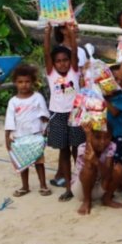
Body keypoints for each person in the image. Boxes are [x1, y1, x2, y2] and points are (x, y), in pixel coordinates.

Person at [44, 23, 82, 201]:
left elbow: (73, 51)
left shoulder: (74, 72)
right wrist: (47, 32)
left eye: (65, 60)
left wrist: (72, 33)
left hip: (75, 113)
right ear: (53, 63)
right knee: (64, 151)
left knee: (78, 151)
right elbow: (46, 53)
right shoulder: (52, 74)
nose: (62, 63)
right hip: (58, 114)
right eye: (58, 61)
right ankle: (68, 187)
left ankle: (79, 183)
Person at [4, 64, 51, 197]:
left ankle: (43, 185)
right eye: (20, 82)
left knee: (39, 162)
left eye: (27, 81)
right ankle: (25, 186)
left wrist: (45, 129)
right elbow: (9, 121)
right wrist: (7, 138)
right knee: (22, 163)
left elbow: (44, 115)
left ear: (32, 82)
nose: (24, 85)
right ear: (15, 83)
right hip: (19, 137)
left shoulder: (37, 97)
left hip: (36, 136)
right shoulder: (13, 102)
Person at [72, 121, 122, 216]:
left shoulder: (111, 146)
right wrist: (88, 135)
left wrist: (97, 161)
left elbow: (108, 175)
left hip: (100, 187)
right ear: (91, 137)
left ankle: (107, 198)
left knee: (119, 168)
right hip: (81, 190)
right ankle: (86, 201)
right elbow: (88, 167)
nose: (102, 141)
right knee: (89, 168)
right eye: (97, 137)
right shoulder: (82, 148)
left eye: (107, 137)